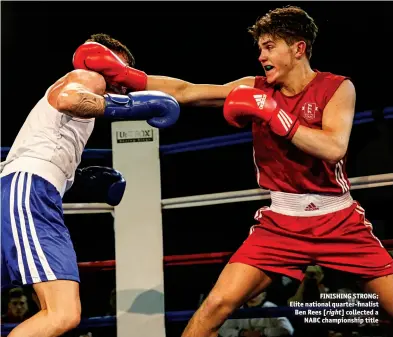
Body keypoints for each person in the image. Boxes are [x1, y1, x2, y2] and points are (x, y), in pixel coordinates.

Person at [72, 6, 393, 337]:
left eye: (269, 46)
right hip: (280, 224)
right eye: (260, 48)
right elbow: (187, 91)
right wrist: (130, 78)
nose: (261, 55)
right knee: (213, 308)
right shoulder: (255, 87)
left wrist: (272, 114)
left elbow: (333, 147)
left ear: (298, 48)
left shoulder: (337, 88)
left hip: (338, 222)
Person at [0, 33, 180, 337]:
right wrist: (131, 107)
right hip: (30, 191)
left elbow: (51, 140)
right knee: (62, 313)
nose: (124, 82)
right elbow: (70, 100)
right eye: (120, 70)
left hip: (25, 190)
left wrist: (75, 179)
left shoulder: (83, 100)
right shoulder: (90, 76)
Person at [218, 291, 294, 337]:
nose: (254, 294)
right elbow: (222, 330)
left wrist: (263, 332)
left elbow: (288, 330)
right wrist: (243, 333)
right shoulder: (239, 308)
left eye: (258, 292)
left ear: (264, 295)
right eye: (251, 291)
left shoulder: (270, 307)